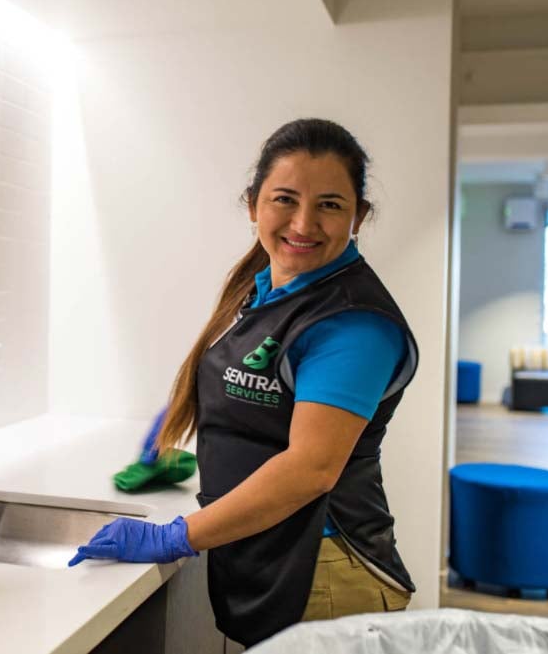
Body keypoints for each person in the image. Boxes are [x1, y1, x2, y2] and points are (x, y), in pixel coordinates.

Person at [68, 119, 419, 646]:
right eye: (285, 199)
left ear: (358, 216)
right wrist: (188, 421)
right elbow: (256, 386)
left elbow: (310, 469)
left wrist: (175, 536)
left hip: (324, 573)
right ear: (253, 203)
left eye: (329, 204)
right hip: (268, 552)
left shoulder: (352, 322)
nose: (304, 222)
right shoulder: (271, 290)